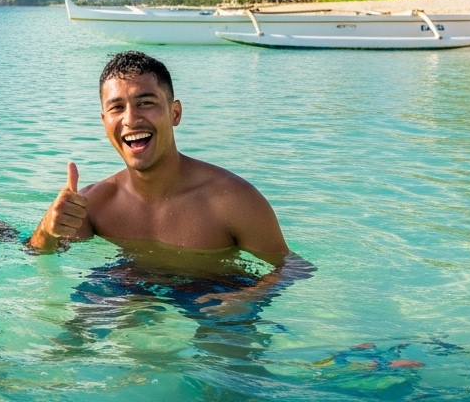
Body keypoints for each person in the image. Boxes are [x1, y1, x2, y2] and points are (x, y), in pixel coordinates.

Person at [29, 51, 292, 312]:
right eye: (117, 107)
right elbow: (37, 254)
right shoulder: (94, 203)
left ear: (175, 113)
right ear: (104, 121)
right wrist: (47, 228)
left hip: (214, 291)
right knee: (72, 338)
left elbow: (291, 267)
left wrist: (250, 298)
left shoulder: (231, 199)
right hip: (128, 285)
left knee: (223, 342)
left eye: (145, 103)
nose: (130, 119)